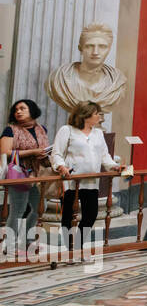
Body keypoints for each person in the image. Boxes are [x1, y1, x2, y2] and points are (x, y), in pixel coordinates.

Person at [50, 101, 121, 247]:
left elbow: (104, 156)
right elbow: (56, 153)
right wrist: (61, 166)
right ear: (85, 115)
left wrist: (115, 166)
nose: (99, 117)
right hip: (71, 181)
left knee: (91, 215)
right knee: (68, 217)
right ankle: (69, 247)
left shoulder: (98, 133)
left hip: (91, 181)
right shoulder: (67, 130)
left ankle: (78, 246)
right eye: (96, 114)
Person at [1, 99, 51, 255]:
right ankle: (9, 245)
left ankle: (27, 240)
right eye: (16, 109)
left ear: (33, 110)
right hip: (19, 173)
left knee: (39, 208)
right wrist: (33, 152)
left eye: (23, 108)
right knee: (18, 209)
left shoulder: (42, 129)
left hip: (38, 174)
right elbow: (5, 152)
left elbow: (43, 149)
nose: (18, 111)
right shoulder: (10, 130)